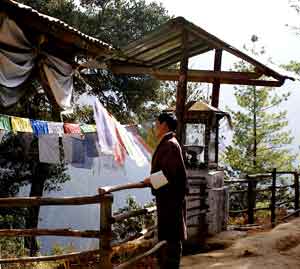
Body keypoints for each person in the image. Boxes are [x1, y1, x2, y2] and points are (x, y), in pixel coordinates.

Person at [144, 112, 188, 269]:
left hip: (171, 199)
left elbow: (168, 174)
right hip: (170, 199)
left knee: (172, 239)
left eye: (157, 123)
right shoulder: (170, 142)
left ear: (164, 125)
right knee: (171, 237)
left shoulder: (169, 145)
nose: (156, 127)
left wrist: (151, 180)